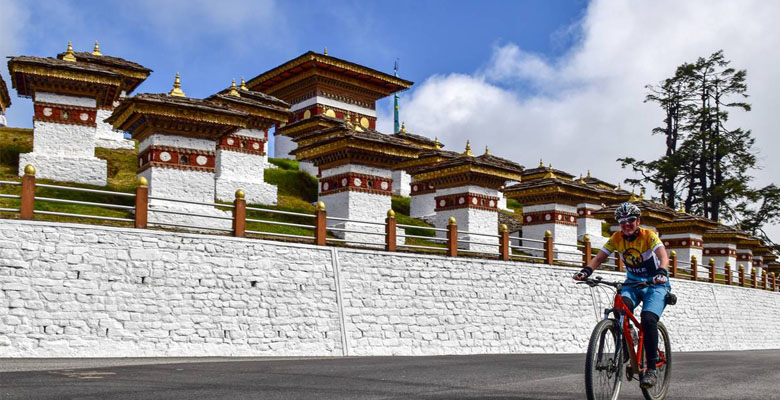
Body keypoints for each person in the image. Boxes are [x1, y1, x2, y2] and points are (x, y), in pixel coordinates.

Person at [573, 202, 670, 389]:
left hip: (655, 283)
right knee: (619, 308)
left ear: (638, 221)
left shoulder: (648, 236)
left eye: (631, 220)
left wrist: (662, 272)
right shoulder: (617, 238)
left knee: (648, 319)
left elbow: (663, 256)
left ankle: (650, 368)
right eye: (622, 221)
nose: (627, 224)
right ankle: (627, 342)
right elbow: (600, 257)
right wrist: (586, 271)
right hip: (633, 283)